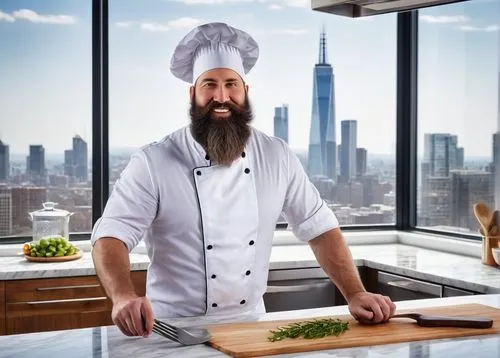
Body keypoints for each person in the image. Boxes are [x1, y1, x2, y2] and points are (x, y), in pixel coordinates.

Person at [90, 22, 396, 338]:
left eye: (231, 84)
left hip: (251, 328)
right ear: (192, 93)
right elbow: (112, 234)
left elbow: (319, 227)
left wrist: (355, 293)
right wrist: (123, 296)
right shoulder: (153, 161)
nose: (221, 97)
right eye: (209, 84)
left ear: (245, 91)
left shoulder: (276, 155)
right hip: (172, 330)